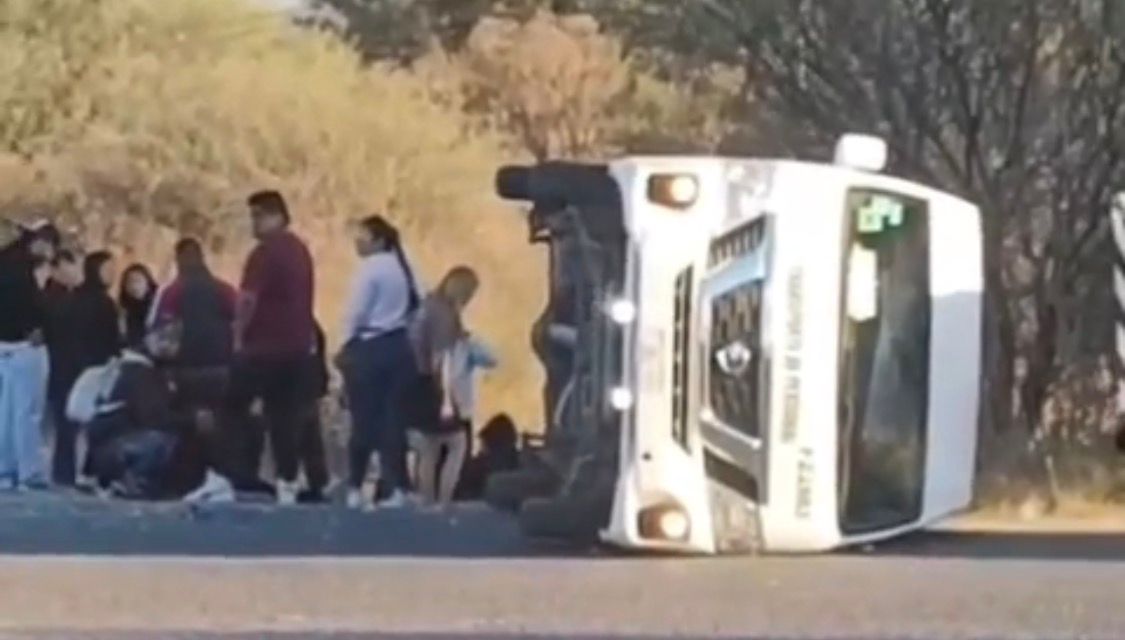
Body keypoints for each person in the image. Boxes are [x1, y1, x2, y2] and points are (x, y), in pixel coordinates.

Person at [228, 190, 316, 505]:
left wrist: (238, 335)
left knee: (231, 408)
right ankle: (287, 479)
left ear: (276, 216)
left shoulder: (264, 254)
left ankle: (236, 474)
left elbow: (248, 299)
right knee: (284, 416)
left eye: (258, 216)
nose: (254, 223)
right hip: (296, 346)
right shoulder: (300, 250)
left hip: (262, 348)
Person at [82, 320, 233, 501]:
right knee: (162, 440)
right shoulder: (139, 372)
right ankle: (134, 482)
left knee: (168, 439)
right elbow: (153, 417)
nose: (169, 344)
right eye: (163, 337)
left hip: (108, 447)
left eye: (174, 339)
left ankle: (138, 482)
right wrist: (192, 420)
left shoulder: (140, 369)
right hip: (114, 447)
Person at [337, 215, 421, 510]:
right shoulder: (403, 266)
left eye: (364, 236)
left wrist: (344, 344)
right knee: (393, 420)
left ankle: (356, 484)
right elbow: (417, 304)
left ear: (378, 240)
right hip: (398, 345)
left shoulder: (369, 269)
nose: (358, 241)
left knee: (363, 420)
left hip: (369, 346)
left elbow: (355, 311)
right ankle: (396, 486)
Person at [406, 266, 480, 510]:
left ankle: (426, 500)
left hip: (417, 382)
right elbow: (443, 358)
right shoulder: (446, 316)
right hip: (436, 384)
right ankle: (443, 499)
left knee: (429, 446)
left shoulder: (427, 307)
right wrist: (448, 398)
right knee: (457, 443)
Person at [0, 220, 60, 490]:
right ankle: (29, 470)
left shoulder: (5, 262)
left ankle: (5, 468)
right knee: (28, 411)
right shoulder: (25, 271)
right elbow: (35, 308)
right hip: (26, 345)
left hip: (4, 344)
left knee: (7, 411)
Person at [42, 250, 85, 486]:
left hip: (65, 363)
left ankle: (64, 471)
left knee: (64, 422)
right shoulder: (55, 299)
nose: (75, 272)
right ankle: (63, 472)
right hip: (61, 363)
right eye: (71, 266)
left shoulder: (65, 297)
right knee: (63, 421)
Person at [456, 413, 520, 500]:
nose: (480, 447)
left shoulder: (480, 465)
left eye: (482, 443)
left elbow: (459, 490)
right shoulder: (520, 462)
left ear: (488, 441)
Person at [118, 263, 158, 347]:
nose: (134, 285)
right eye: (129, 281)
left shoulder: (157, 305)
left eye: (138, 281)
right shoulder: (122, 310)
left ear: (148, 284)